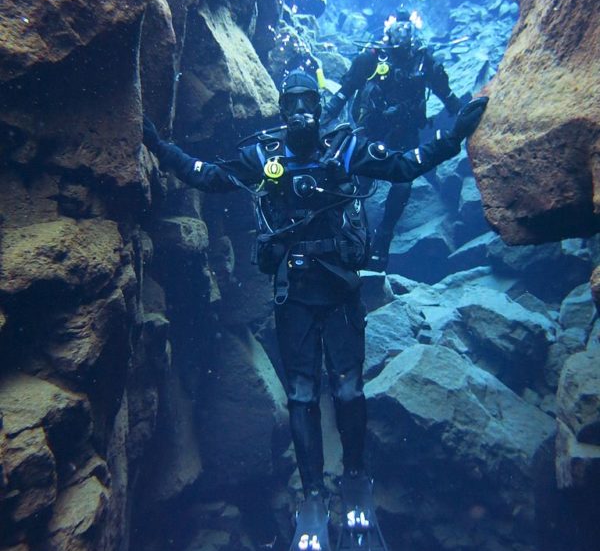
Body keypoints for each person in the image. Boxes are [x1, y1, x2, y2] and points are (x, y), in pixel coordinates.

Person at [142, 70, 487, 500]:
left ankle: (354, 477)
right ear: (282, 108)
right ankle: (312, 494)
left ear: (320, 108)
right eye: (293, 103)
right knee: (302, 394)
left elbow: (404, 165)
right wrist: (159, 146)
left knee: (348, 389)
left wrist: (454, 135)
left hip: (341, 288)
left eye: (309, 101)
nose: (301, 110)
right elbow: (207, 176)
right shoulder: (264, 157)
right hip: (294, 292)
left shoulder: (344, 150)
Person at [322, 9, 463, 270]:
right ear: (388, 31)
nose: (402, 34)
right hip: (372, 128)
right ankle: (352, 234)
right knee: (361, 182)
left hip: (404, 131)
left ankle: (384, 235)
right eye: (398, 28)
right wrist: (322, 120)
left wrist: (467, 117)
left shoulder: (423, 61)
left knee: (402, 182)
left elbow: (447, 94)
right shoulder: (372, 57)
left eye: (407, 28)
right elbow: (345, 91)